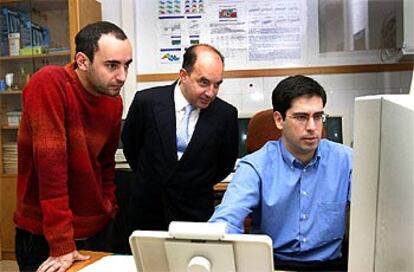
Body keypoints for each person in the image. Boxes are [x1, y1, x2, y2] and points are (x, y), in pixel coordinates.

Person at [14, 21, 133, 272]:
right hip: (45, 233)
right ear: (82, 61)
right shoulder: (49, 83)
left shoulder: (113, 102)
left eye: (126, 65)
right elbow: (51, 169)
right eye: (112, 65)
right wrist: (61, 243)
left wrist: (108, 207)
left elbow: (106, 163)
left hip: (96, 227)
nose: (122, 76)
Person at [209, 75, 352, 270]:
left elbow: (377, 215)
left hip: (330, 265)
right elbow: (228, 216)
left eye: (318, 117)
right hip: (273, 265)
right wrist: (214, 240)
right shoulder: (256, 165)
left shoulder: (346, 160)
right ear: (279, 120)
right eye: (301, 117)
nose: (312, 127)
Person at [122, 44, 238, 232]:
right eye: (204, 82)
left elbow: (224, 164)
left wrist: (190, 183)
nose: (211, 92)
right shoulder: (147, 102)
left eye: (217, 84)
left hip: (195, 215)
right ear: (184, 75)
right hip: (147, 213)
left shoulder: (225, 114)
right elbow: (131, 146)